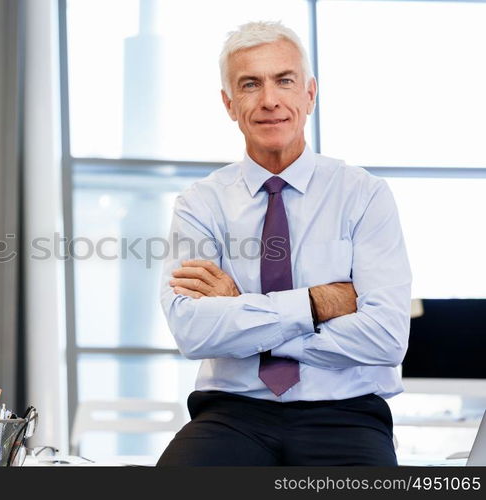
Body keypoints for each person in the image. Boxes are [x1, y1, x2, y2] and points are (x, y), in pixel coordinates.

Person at [156, 21, 411, 466]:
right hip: (231, 414)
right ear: (229, 104)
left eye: (284, 81)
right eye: (250, 84)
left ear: (310, 94)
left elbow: (387, 338)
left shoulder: (365, 195)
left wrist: (242, 307)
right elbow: (193, 331)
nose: (269, 100)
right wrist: (315, 304)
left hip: (347, 415)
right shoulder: (200, 204)